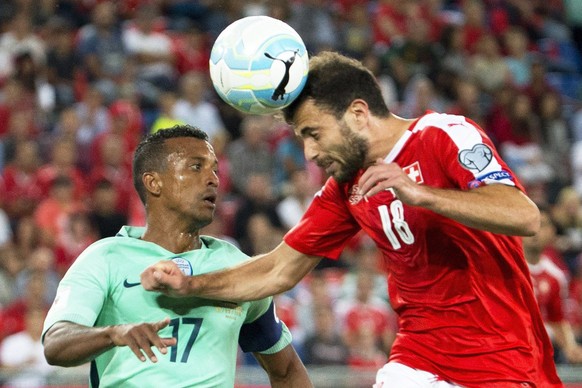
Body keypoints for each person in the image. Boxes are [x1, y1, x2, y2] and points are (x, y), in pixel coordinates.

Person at [141, 52, 562, 387]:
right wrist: (191, 285)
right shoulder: (348, 185)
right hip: (419, 360)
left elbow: (522, 214)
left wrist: (422, 195)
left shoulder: (444, 134)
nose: (309, 153)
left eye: (314, 133)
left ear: (358, 114)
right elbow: (278, 269)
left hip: (505, 362)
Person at [42, 125, 311, 387]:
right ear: (154, 182)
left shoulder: (236, 266)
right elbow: (56, 343)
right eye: (196, 167)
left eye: (215, 170)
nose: (213, 179)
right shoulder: (106, 257)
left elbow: (286, 371)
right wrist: (114, 333)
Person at [522, 208, 582, 364]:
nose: (534, 230)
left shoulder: (556, 276)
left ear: (552, 232)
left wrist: (571, 348)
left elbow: (557, 319)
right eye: (528, 222)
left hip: (535, 357)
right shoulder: (503, 268)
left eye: (542, 225)